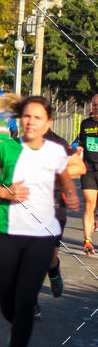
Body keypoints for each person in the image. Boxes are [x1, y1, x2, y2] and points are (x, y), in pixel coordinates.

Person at [0, 96, 79, 347]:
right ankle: (16, 324)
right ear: (21, 120)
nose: (31, 121)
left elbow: (65, 175)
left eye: (37, 117)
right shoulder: (5, 148)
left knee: (25, 301)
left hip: (42, 236)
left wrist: (71, 192)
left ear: (47, 123)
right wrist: (4, 193)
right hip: (7, 232)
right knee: (8, 303)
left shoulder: (55, 151)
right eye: (27, 116)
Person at [38, 124, 85, 315]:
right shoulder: (17, 143)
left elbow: (79, 167)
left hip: (54, 204)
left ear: (47, 121)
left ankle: (53, 270)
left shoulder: (57, 142)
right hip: (24, 206)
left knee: (48, 257)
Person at [72, 94, 98, 255]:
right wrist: (79, 147)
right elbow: (80, 141)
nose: (96, 107)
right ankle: (87, 241)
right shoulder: (85, 123)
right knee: (89, 204)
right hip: (88, 169)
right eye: (94, 104)